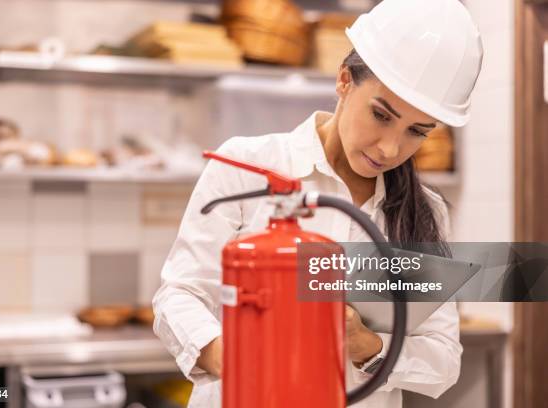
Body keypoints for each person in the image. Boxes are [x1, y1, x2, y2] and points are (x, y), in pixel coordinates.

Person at [152, 0, 484, 406]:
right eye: (381, 115)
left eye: (417, 131)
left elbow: (444, 362)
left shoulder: (424, 213)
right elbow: (180, 294)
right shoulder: (248, 166)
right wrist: (239, 361)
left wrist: (366, 344)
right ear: (344, 80)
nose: (390, 147)